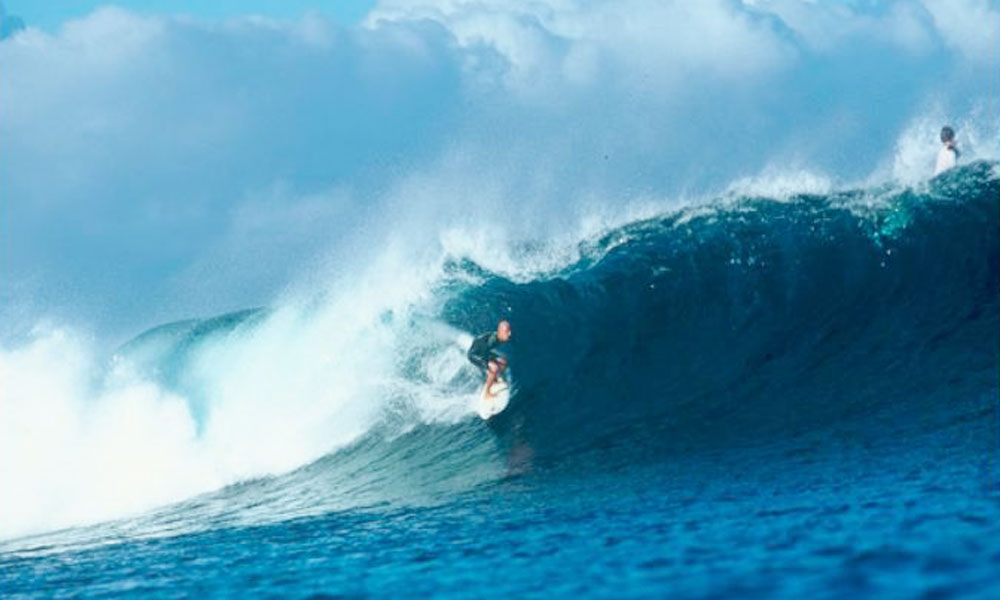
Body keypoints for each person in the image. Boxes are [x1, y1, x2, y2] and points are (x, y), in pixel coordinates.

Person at [468, 320, 511, 397]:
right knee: (494, 368)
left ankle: (499, 379)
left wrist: (497, 360)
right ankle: (487, 393)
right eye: (506, 331)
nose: (509, 334)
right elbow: (483, 355)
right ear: (500, 332)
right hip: (474, 355)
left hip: (483, 351)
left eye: (509, 330)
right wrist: (491, 365)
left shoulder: (499, 337)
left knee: (503, 360)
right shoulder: (492, 340)